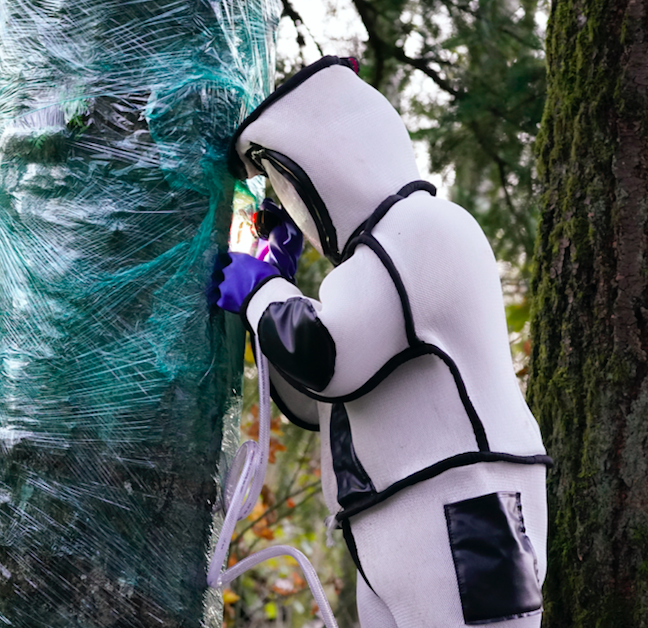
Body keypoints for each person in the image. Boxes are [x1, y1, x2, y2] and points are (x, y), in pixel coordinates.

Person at [215, 55, 551, 628]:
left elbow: (328, 360)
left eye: (291, 188)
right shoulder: (373, 266)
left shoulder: (425, 228)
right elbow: (319, 401)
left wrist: (264, 293)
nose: (295, 211)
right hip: (394, 529)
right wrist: (276, 297)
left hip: (464, 514)